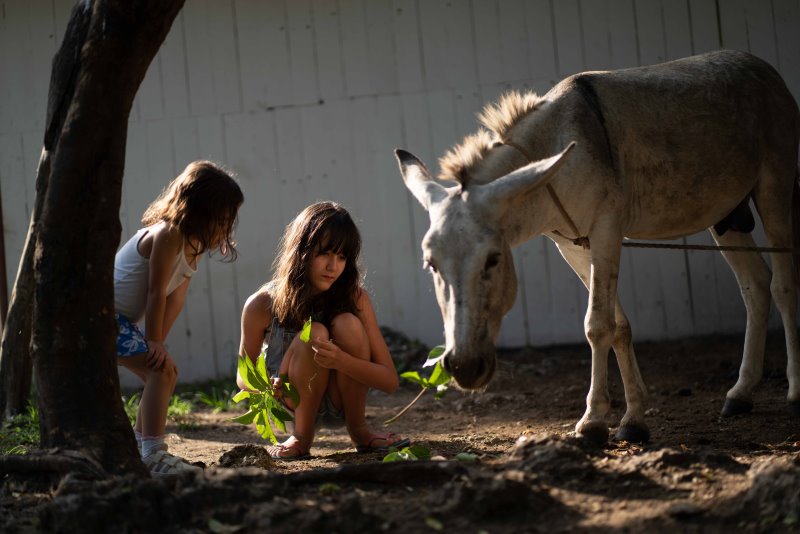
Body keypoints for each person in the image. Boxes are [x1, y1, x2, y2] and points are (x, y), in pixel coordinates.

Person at [237, 201, 409, 459]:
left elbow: (389, 381)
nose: (333, 267)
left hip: (342, 400)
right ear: (301, 251)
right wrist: (264, 388)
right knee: (313, 332)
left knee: (347, 324)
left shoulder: (356, 299)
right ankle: (301, 437)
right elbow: (242, 376)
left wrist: (341, 361)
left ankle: (359, 430)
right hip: (292, 402)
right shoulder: (261, 304)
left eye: (341, 257)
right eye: (324, 253)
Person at [115, 160, 243, 475]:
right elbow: (156, 292)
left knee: (163, 371)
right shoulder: (169, 233)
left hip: (124, 323)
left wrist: (159, 344)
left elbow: (176, 297)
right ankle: (153, 454)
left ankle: (139, 445)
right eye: (222, 220)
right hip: (103, 317)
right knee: (161, 373)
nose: (226, 228)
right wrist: (154, 341)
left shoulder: (193, 246)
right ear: (200, 212)